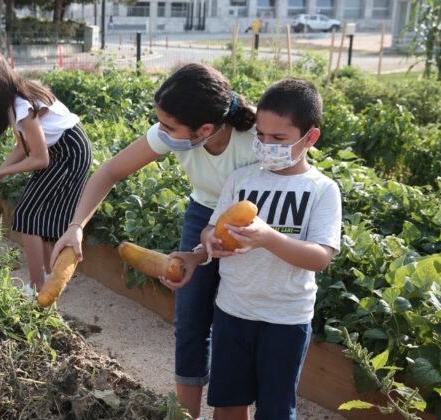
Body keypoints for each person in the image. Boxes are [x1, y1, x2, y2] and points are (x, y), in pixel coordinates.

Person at [51, 62, 258, 418]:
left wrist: (211, 249)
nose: (160, 131)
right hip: (202, 212)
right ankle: (186, 414)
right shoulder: (177, 132)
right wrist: (76, 226)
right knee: (190, 320)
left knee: (232, 324)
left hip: (251, 224)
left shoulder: (256, 142)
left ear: (204, 130)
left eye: (168, 126)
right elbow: (110, 171)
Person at [197, 78, 342, 419]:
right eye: (261, 136)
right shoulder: (242, 180)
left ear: (310, 138)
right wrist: (210, 240)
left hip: (285, 318)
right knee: (228, 402)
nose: (266, 144)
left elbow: (320, 257)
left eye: (279, 139)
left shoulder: (322, 190)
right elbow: (210, 226)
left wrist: (268, 238)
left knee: (275, 409)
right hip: (233, 310)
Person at [0, 44, 92, 294]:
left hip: (69, 152)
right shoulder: (12, 100)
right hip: (60, 150)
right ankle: (47, 280)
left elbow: (40, 159)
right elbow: (23, 146)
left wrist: (1, 172)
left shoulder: (21, 103)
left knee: (28, 215)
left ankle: (38, 287)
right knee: (31, 217)